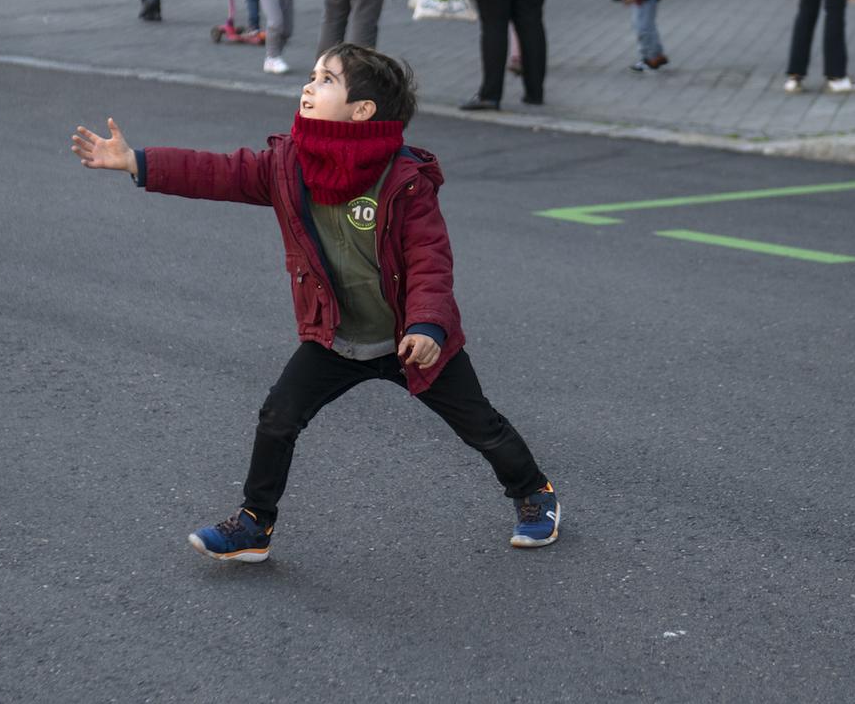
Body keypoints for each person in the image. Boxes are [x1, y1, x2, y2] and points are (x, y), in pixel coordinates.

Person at [69, 43, 561, 561]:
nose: (308, 85)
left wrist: (428, 326)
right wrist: (136, 162)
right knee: (279, 416)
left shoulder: (403, 181)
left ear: (363, 110)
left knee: (478, 424)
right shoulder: (289, 164)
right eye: (312, 75)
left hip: (409, 340)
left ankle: (534, 493)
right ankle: (255, 524)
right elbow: (217, 172)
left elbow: (429, 260)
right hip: (337, 338)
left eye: (326, 79)